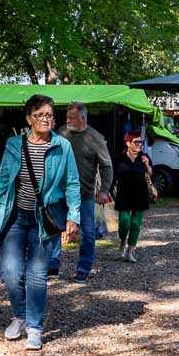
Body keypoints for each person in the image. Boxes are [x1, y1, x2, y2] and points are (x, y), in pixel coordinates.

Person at [0, 95, 80, 351]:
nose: (46, 119)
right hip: (15, 216)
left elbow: (72, 182)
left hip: (44, 219)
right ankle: (19, 316)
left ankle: (35, 327)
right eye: (40, 115)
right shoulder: (14, 144)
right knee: (11, 271)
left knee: (37, 274)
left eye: (49, 115)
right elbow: (3, 179)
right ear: (29, 119)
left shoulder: (62, 146)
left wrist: (73, 215)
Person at [52, 102, 113, 282]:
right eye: (67, 117)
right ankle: (52, 265)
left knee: (87, 233)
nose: (67, 121)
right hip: (59, 192)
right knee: (53, 228)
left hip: (84, 194)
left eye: (71, 118)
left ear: (83, 118)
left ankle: (83, 269)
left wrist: (104, 190)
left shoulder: (95, 139)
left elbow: (107, 166)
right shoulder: (62, 133)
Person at [112, 128, 155, 262]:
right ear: (128, 143)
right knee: (124, 222)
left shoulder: (144, 157)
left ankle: (130, 252)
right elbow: (113, 176)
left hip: (140, 194)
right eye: (136, 142)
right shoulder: (119, 158)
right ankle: (122, 241)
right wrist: (108, 191)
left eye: (141, 142)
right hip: (123, 194)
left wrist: (147, 165)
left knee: (136, 224)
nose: (139, 145)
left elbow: (150, 174)